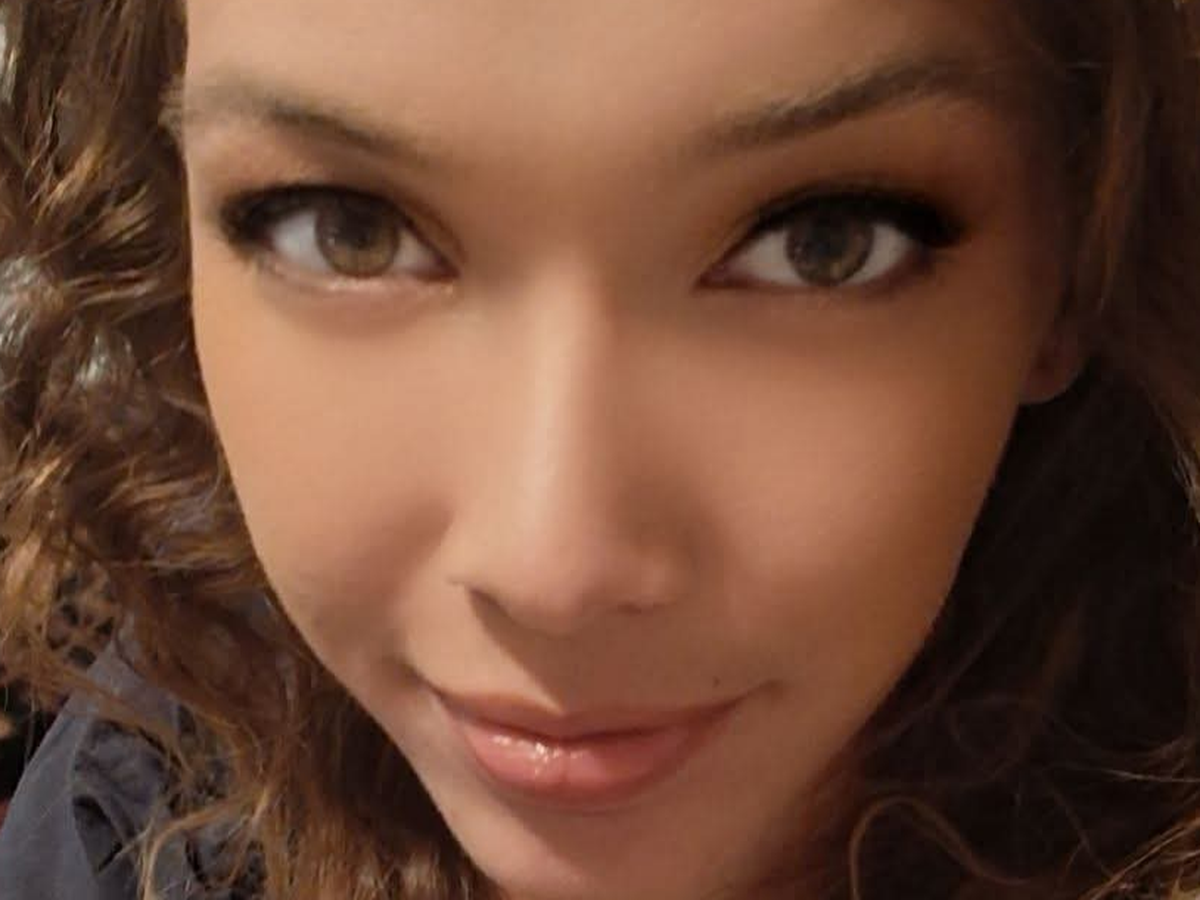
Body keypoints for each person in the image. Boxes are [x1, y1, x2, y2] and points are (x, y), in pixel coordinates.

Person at [0, 1, 1198, 898]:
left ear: (1071, 266)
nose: (553, 573)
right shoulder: (157, 778)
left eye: (823, 244)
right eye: (346, 231)